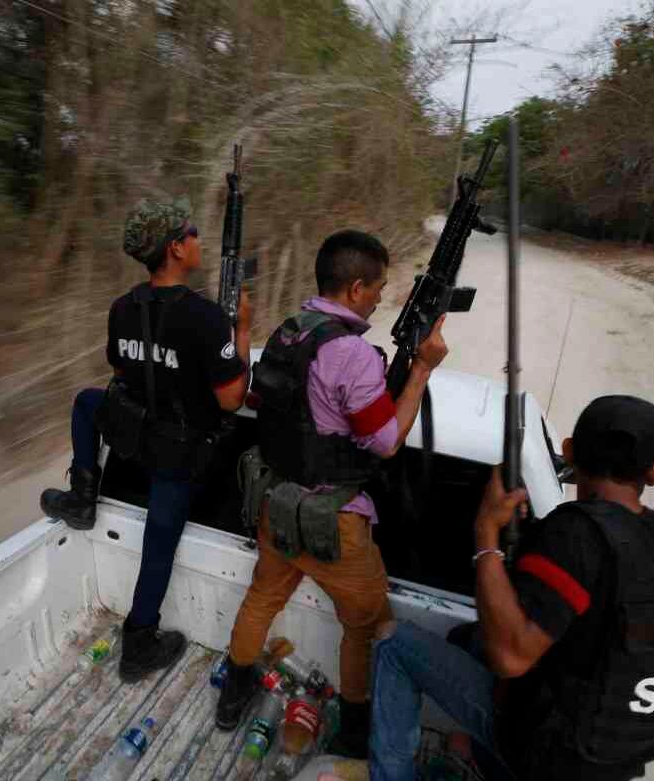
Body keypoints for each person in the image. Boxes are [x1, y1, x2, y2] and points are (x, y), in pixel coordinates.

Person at [369, 395, 654, 781]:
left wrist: (486, 530)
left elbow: (509, 658)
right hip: (613, 761)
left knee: (394, 644)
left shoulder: (575, 535)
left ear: (569, 451)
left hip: (542, 753)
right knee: (468, 638)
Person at [215, 230, 449, 759]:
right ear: (356, 288)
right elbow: (385, 442)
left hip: (276, 504)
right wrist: (421, 370)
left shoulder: (288, 333)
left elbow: (265, 401)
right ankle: (354, 729)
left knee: (262, 598)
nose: (382, 298)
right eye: (379, 288)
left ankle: (232, 697)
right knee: (365, 623)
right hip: (332, 521)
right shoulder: (352, 353)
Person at [40, 196, 252, 683]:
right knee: (159, 542)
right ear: (176, 248)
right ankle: (138, 645)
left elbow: (122, 374)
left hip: (135, 436)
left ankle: (82, 495)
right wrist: (242, 330)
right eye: (192, 232)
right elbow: (231, 399)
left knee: (86, 402)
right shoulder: (205, 317)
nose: (199, 239)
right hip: (180, 452)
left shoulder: (123, 308)